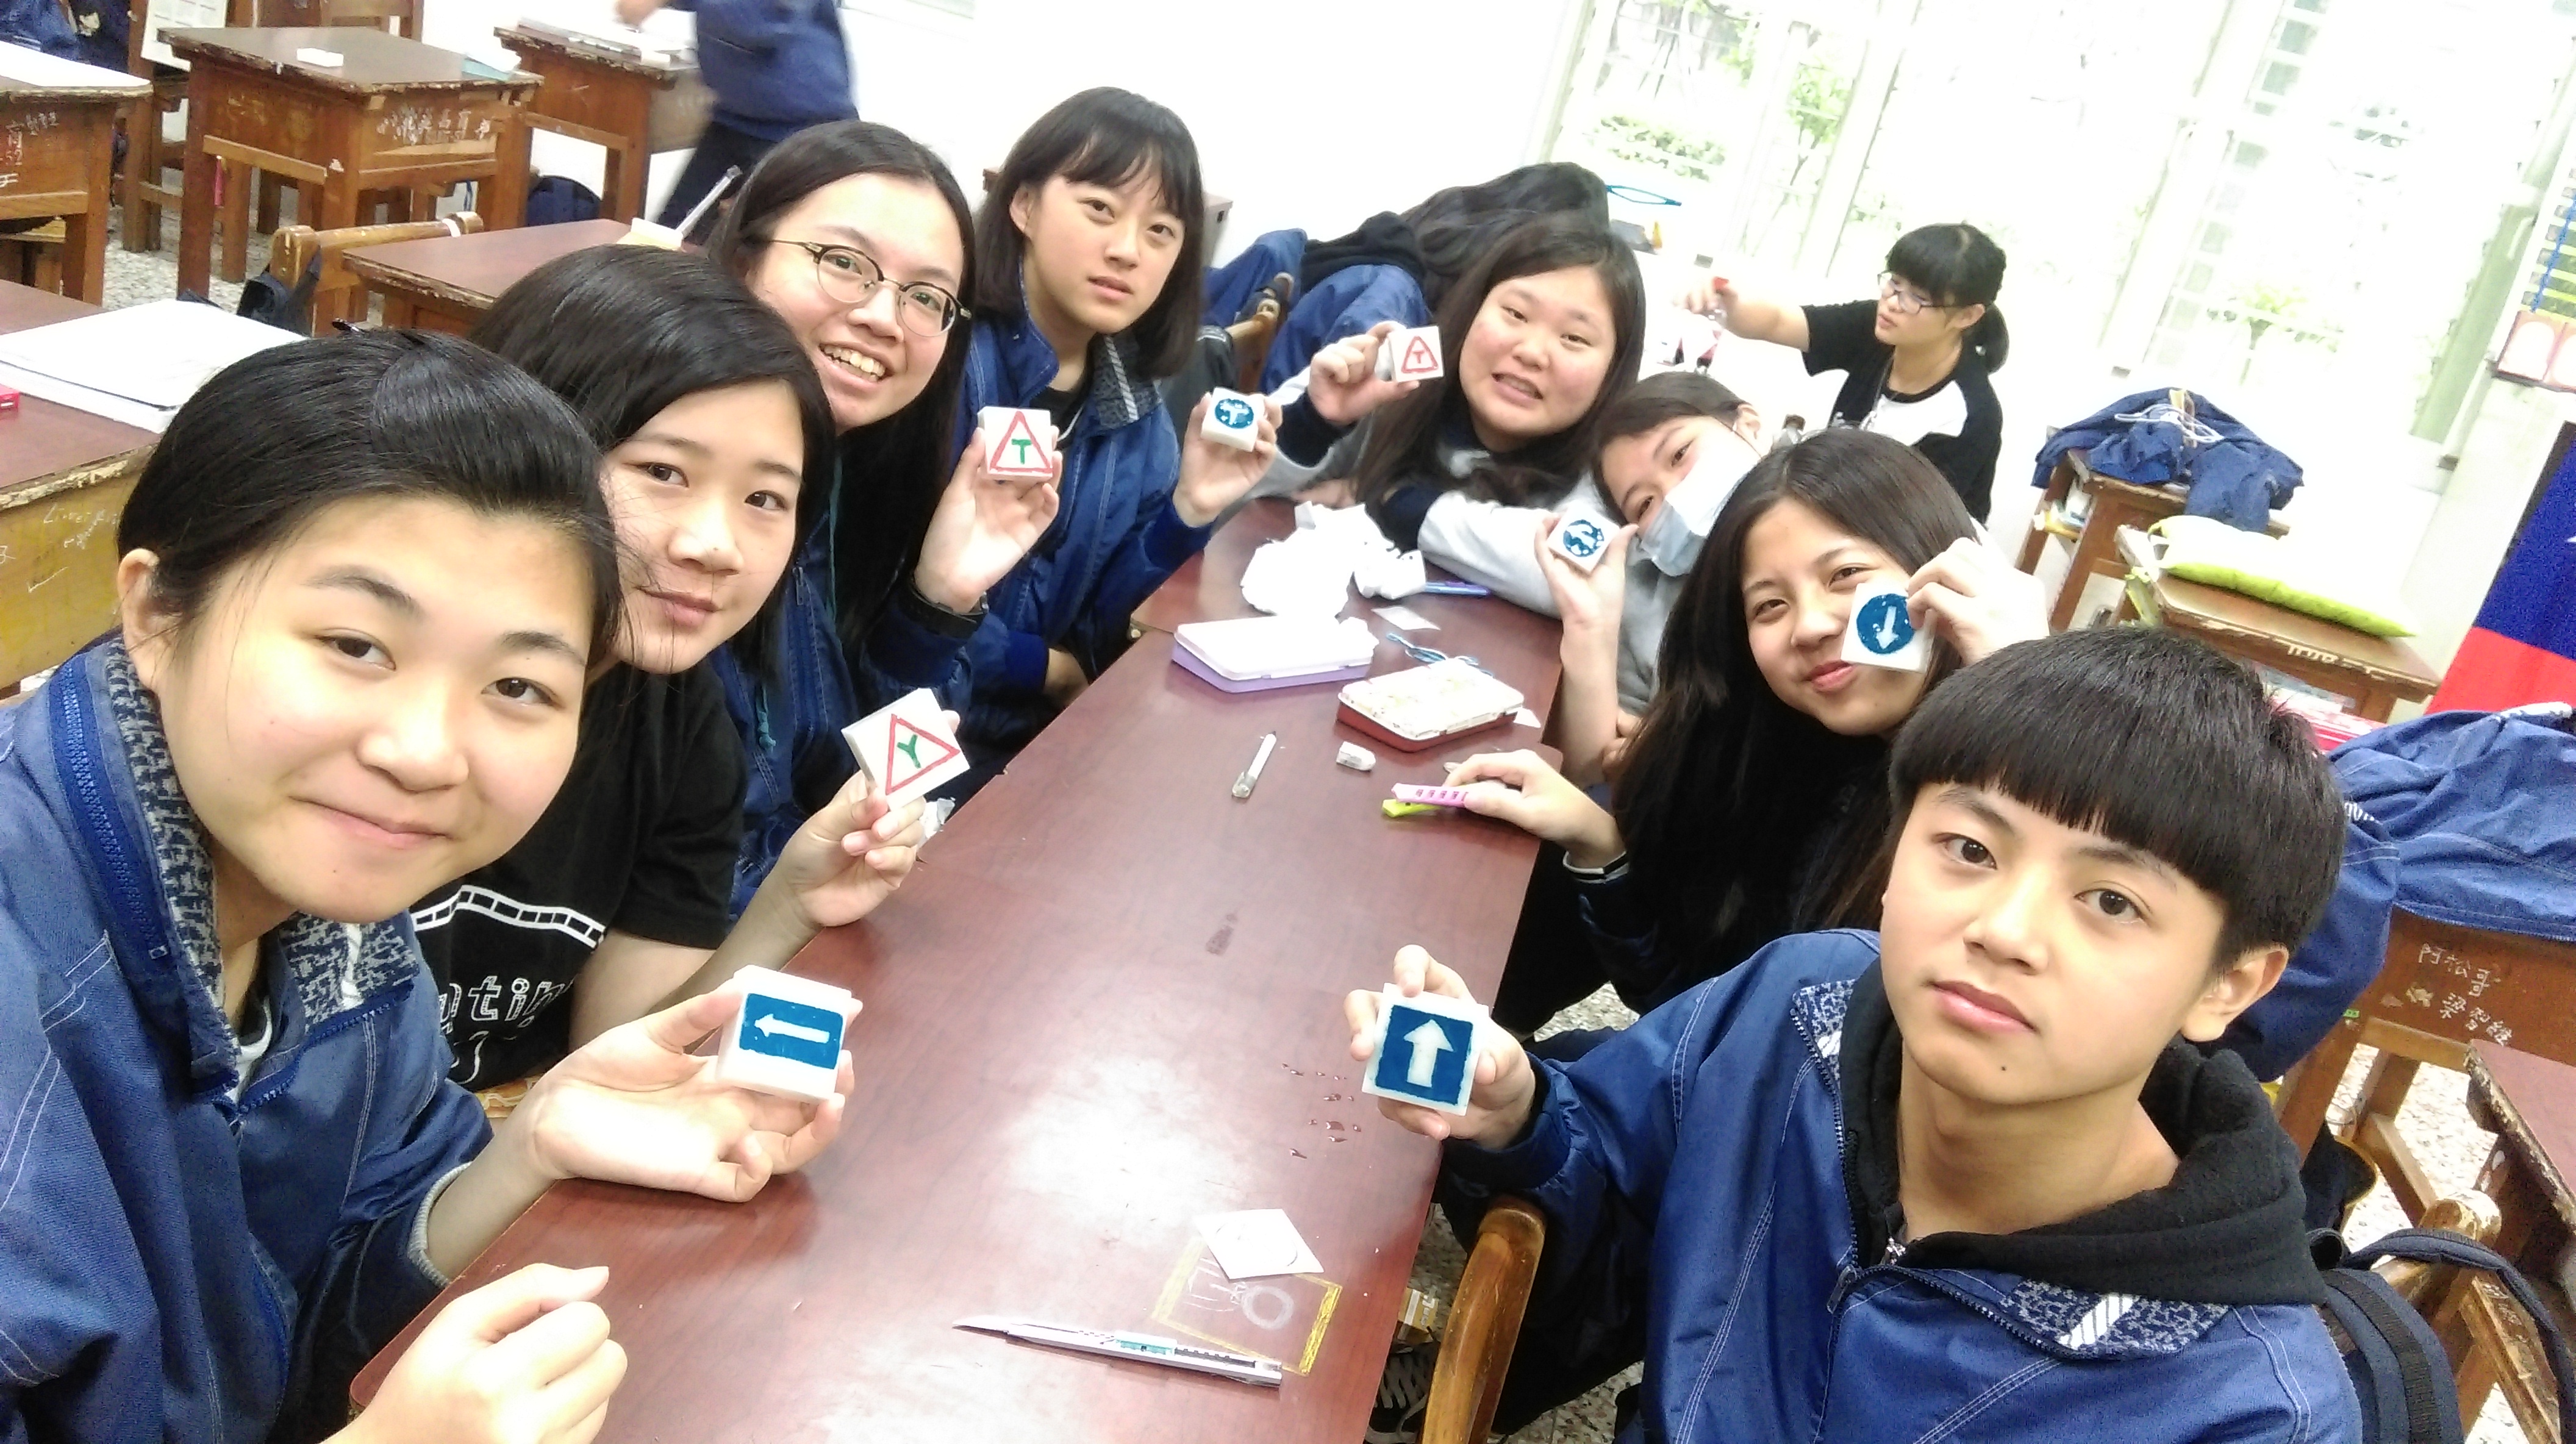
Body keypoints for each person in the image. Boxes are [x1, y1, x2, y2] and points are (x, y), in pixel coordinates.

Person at [0, 332, 857, 1444]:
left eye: (518, 684)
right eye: (356, 645)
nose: (425, 752)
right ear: (158, 614)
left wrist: (533, 1145)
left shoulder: (335, 919)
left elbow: (313, 1303)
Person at [1351, 626, 2361, 1443]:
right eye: (1969, 848)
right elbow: (1610, 1182)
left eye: (2110, 900)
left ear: (2227, 983)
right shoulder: (1801, 1005)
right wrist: (1518, 1110)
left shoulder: (2243, 1410)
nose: (2003, 930)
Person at [422, 246, 924, 1092]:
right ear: (518, 442)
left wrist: (788, 904)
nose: (714, 546)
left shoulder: (683, 723)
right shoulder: (392, 707)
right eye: (663, 472)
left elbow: (622, 1053)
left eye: (764, 499)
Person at [1452, 429, 2044, 1034]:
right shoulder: (1789, 761)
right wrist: (1600, 845)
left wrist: (2029, 696)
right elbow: (1696, 1008)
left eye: (1845, 574)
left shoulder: (2007, 781)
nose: (1809, 626)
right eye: (1769, 605)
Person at [707, 120, 1058, 902]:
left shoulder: (849, 479)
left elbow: (870, 785)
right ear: (744, 253)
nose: (883, 316)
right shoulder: (676, 508)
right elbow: (698, 872)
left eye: (926, 297)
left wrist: (937, 605)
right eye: (844, 262)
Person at [903, 87, 1275, 777]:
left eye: (1161, 231)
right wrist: (1044, 667)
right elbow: (886, 591)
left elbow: (1110, 629)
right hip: (906, 733)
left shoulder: (1136, 407)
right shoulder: (938, 359)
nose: (1128, 250)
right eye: (1100, 209)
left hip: (1042, 745)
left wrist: (1189, 510)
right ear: (1023, 205)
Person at [1247, 213, 1646, 620]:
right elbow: (1225, 481)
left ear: (1614, 370)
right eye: (1516, 314)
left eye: (1574, 338)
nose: (1531, 352)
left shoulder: (1606, 467)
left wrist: (1393, 498)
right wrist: (1313, 422)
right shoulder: (1393, 369)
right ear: (1474, 308)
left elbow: (1576, 574)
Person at [1683, 222, 2007, 518]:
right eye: (1894, 282)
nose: (1893, 302)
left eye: (1918, 298)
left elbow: (1906, 529)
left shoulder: (1966, 417)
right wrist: (1723, 301)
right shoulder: (1879, 327)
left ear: (1967, 316)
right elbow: (1779, 321)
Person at [615, 0, 857, 240]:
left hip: (801, 133)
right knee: (667, 239)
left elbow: (759, 24)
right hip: (735, 120)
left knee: (763, 247)